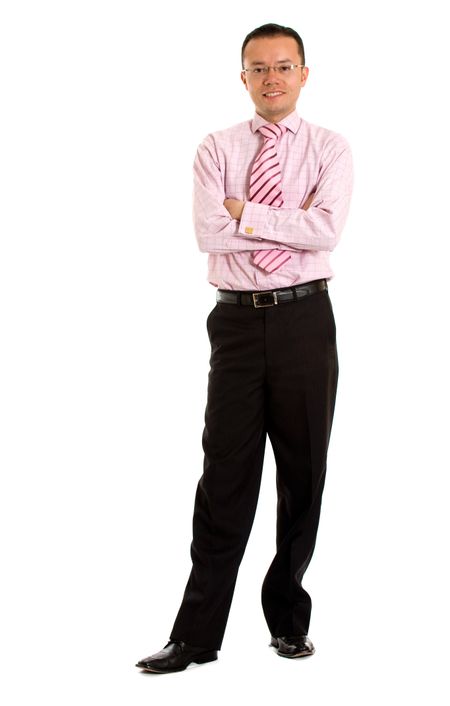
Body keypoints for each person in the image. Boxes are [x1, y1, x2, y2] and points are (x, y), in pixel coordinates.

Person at [136, 22, 353, 674]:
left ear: (304, 74)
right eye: (259, 69)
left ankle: (288, 619)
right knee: (224, 477)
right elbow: (209, 231)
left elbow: (327, 230)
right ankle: (196, 637)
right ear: (244, 78)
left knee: (303, 475)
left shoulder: (329, 149)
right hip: (234, 325)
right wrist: (282, 224)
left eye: (284, 66)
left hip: (304, 321)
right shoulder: (217, 148)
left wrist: (248, 215)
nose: (272, 78)